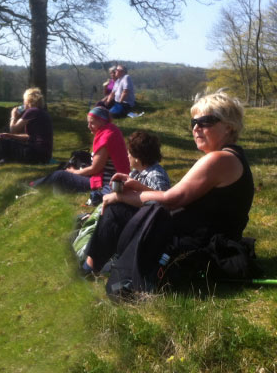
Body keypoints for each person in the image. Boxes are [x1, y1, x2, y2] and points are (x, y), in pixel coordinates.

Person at [83, 90, 254, 275]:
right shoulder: (231, 156)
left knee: (118, 211)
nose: (196, 128)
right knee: (129, 211)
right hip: (205, 237)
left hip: (201, 245)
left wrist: (121, 196)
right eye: (194, 123)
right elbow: (178, 201)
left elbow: (171, 200)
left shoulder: (219, 159)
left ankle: (88, 269)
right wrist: (138, 187)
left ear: (229, 127)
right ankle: (96, 264)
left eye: (205, 122)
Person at [72, 130, 170, 266]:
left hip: (146, 225)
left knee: (112, 210)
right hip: (135, 217)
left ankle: (90, 262)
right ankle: (87, 244)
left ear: (137, 157)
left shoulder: (155, 175)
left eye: (129, 152)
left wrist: (132, 190)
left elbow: (162, 204)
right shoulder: (137, 172)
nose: (127, 155)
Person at [31, 106, 129, 199]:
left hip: (106, 183)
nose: (88, 126)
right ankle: (48, 189)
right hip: (110, 177)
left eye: (92, 123)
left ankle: (33, 186)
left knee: (60, 175)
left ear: (102, 122)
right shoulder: (111, 131)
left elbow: (95, 168)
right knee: (65, 165)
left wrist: (75, 172)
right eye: (88, 123)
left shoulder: (106, 137)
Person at [0, 87, 53, 166]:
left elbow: (13, 129)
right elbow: (30, 136)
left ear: (28, 101)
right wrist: (11, 136)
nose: (23, 102)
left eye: (24, 100)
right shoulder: (42, 112)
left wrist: (13, 116)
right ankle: (0, 161)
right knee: (12, 142)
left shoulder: (32, 111)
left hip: (36, 154)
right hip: (44, 156)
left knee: (4, 143)